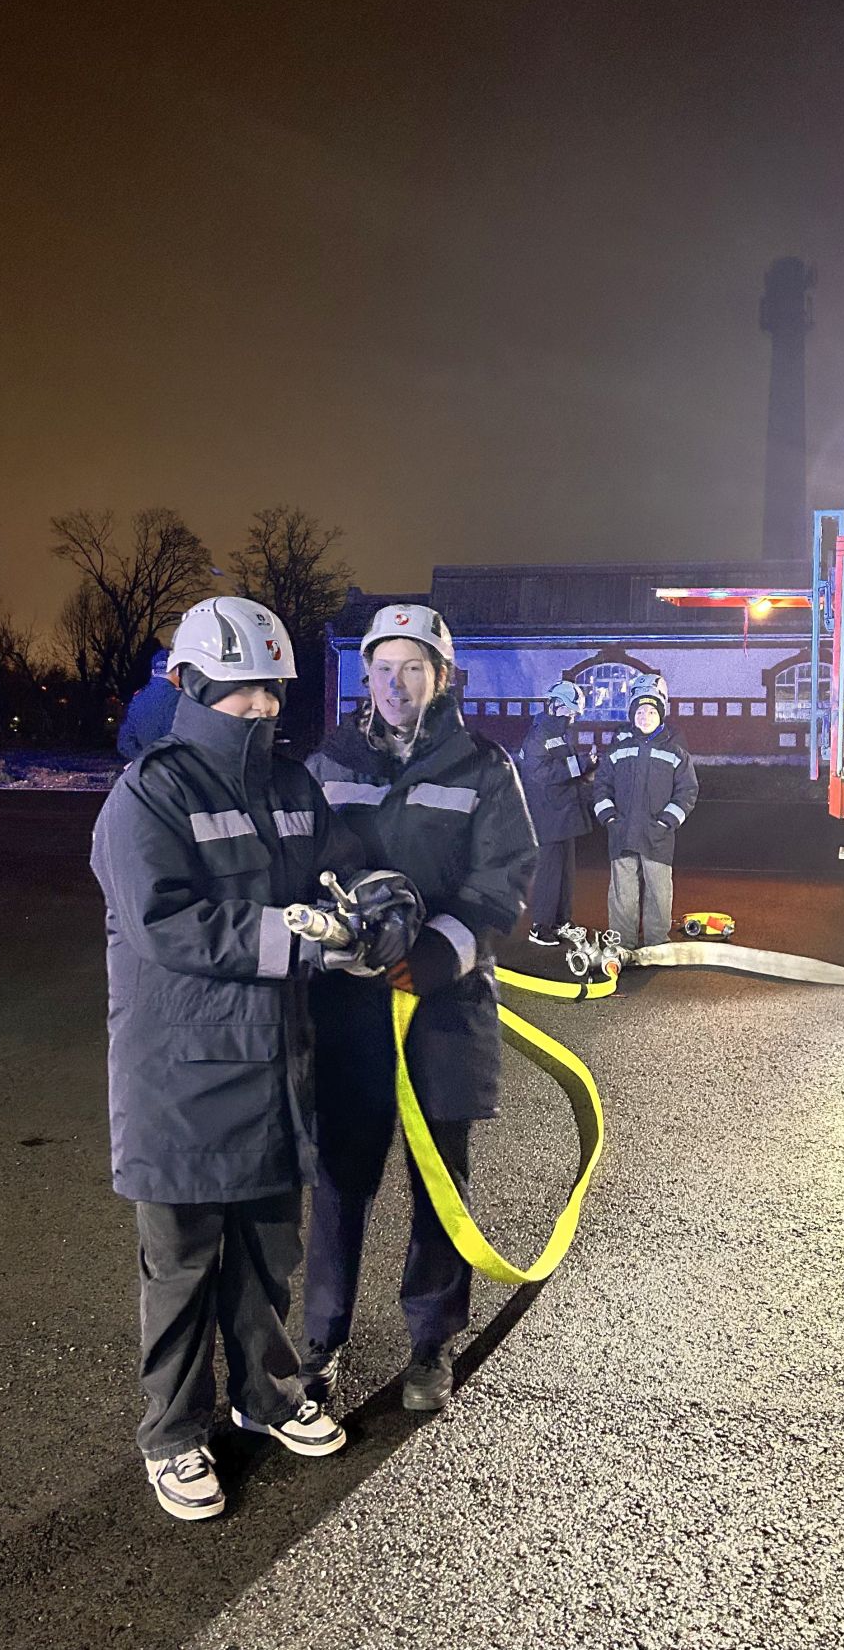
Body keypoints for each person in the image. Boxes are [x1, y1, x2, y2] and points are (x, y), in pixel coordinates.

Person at [90, 595, 410, 1523]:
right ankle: (173, 1435)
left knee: (269, 1252)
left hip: (274, 1065)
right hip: (181, 1074)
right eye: (245, 691)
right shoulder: (150, 794)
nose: (265, 706)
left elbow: (345, 862)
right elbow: (165, 922)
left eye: (274, 688)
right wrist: (298, 939)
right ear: (192, 687)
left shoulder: (290, 787)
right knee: (183, 1265)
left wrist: (380, 900)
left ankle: (266, 1396)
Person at [300, 603, 538, 1413]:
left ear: (440, 676)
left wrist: (434, 953)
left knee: (439, 1181)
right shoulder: (327, 761)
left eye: (412, 668)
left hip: (442, 1005)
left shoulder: (481, 766)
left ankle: (431, 1343)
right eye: (382, 669)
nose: (395, 685)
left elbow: (503, 879)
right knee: (340, 1180)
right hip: (348, 1009)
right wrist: (330, 937)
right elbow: (298, 862)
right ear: (365, 676)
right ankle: (320, 1342)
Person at [592, 671, 698, 947]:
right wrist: (609, 818)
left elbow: (687, 791)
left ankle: (656, 944)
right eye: (639, 711)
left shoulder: (676, 752)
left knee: (659, 893)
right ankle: (622, 945)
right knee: (622, 893)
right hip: (623, 832)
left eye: (651, 711)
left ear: (661, 714)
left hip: (657, 835)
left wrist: (666, 822)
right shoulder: (619, 749)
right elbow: (601, 785)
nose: (645, 716)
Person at [519, 680, 594, 945]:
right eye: (569, 710)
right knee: (550, 874)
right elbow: (540, 774)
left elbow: (564, 768)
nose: (572, 716)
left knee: (565, 874)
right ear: (555, 705)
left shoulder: (558, 733)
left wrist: (585, 768)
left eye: (573, 711)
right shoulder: (539, 735)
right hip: (548, 816)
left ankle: (561, 921)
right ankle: (540, 927)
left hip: (562, 814)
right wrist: (582, 765)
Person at [116, 649, 179, 761]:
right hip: (175, 768)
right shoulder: (182, 699)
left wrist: (145, 760)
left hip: (147, 769)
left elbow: (124, 744)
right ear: (177, 670)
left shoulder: (137, 699)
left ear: (153, 672)